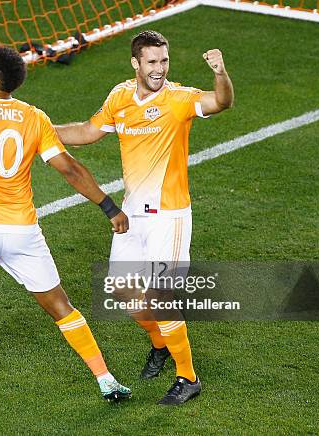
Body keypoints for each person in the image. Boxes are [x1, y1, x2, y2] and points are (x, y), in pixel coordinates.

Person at [0, 45, 132, 413]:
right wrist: (108, 206)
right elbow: (70, 168)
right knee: (61, 306)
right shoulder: (34, 117)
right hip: (23, 229)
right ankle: (106, 380)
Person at [55, 30, 234, 405]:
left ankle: (189, 377)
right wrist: (41, 131)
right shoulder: (120, 97)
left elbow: (221, 102)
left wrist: (220, 72)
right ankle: (161, 344)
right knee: (122, 292)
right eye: (152, 62)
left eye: (164, 61)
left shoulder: (179, 99)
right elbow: (88, 132)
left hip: (169, 217)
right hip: (133, 215)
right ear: (136, 63)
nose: (160, 69)